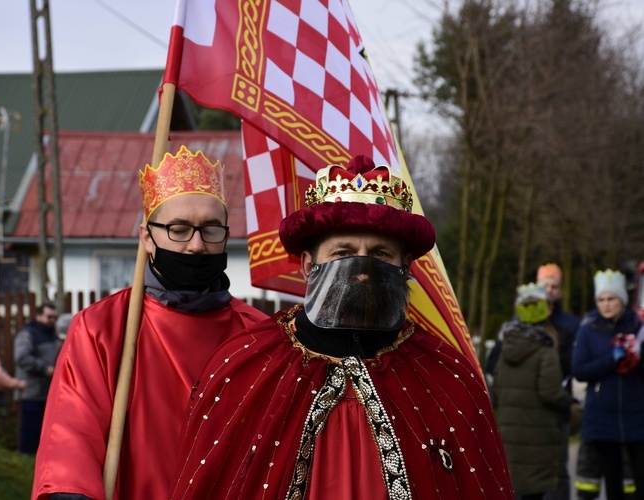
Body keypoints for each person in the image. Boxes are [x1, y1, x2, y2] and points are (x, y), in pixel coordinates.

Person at [169, 156, 514, 499]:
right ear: (308, 265)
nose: (362, 268)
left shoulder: (447, 376)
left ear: (405, 266)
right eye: (343, 252)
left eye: (379, 254)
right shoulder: (243, 365)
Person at [31, 146, 267, 499]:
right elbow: (71, 435)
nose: (197, 245)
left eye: (211, 230)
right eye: (179, 229)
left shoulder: (259, 335)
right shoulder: (102, 327)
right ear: (147, 237)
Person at [493, 282, 573, 500]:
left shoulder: (506, 346)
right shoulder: (546, 350)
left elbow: (497, 386)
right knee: (535, 491)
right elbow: (550, 392)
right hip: (539, 433)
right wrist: (570, 403)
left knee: (514, 487)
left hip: (511, 431)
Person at [573, 269, 644, 500]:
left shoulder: (638, 327)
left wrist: (636, 359)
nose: (606, 304)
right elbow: (580, 370)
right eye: (601, 300)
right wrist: (610, 360)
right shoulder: (588, 329)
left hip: (636, 415)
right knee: (612, 483)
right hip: (603, 418)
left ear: (622, 300)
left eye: (611, 298)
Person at [536, 263, 581, 500]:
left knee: (557, 470)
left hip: (558, 408)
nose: (550, 291)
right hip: (532, 408)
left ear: (561, 292)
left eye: (555, 287)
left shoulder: (572, 325)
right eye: (546, 286)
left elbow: (576, 366)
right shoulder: (522, 320)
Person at [14, 301, 62, 454]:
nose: (52, 321)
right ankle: (25, 462)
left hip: (49, 394)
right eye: (49, 317)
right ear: (38, 316)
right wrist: (45, 369)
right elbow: (22, 357)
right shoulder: (28, 334)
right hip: (32, 393)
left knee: (46, 434)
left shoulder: (52, 335)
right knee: (30, 432)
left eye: (55, 317)